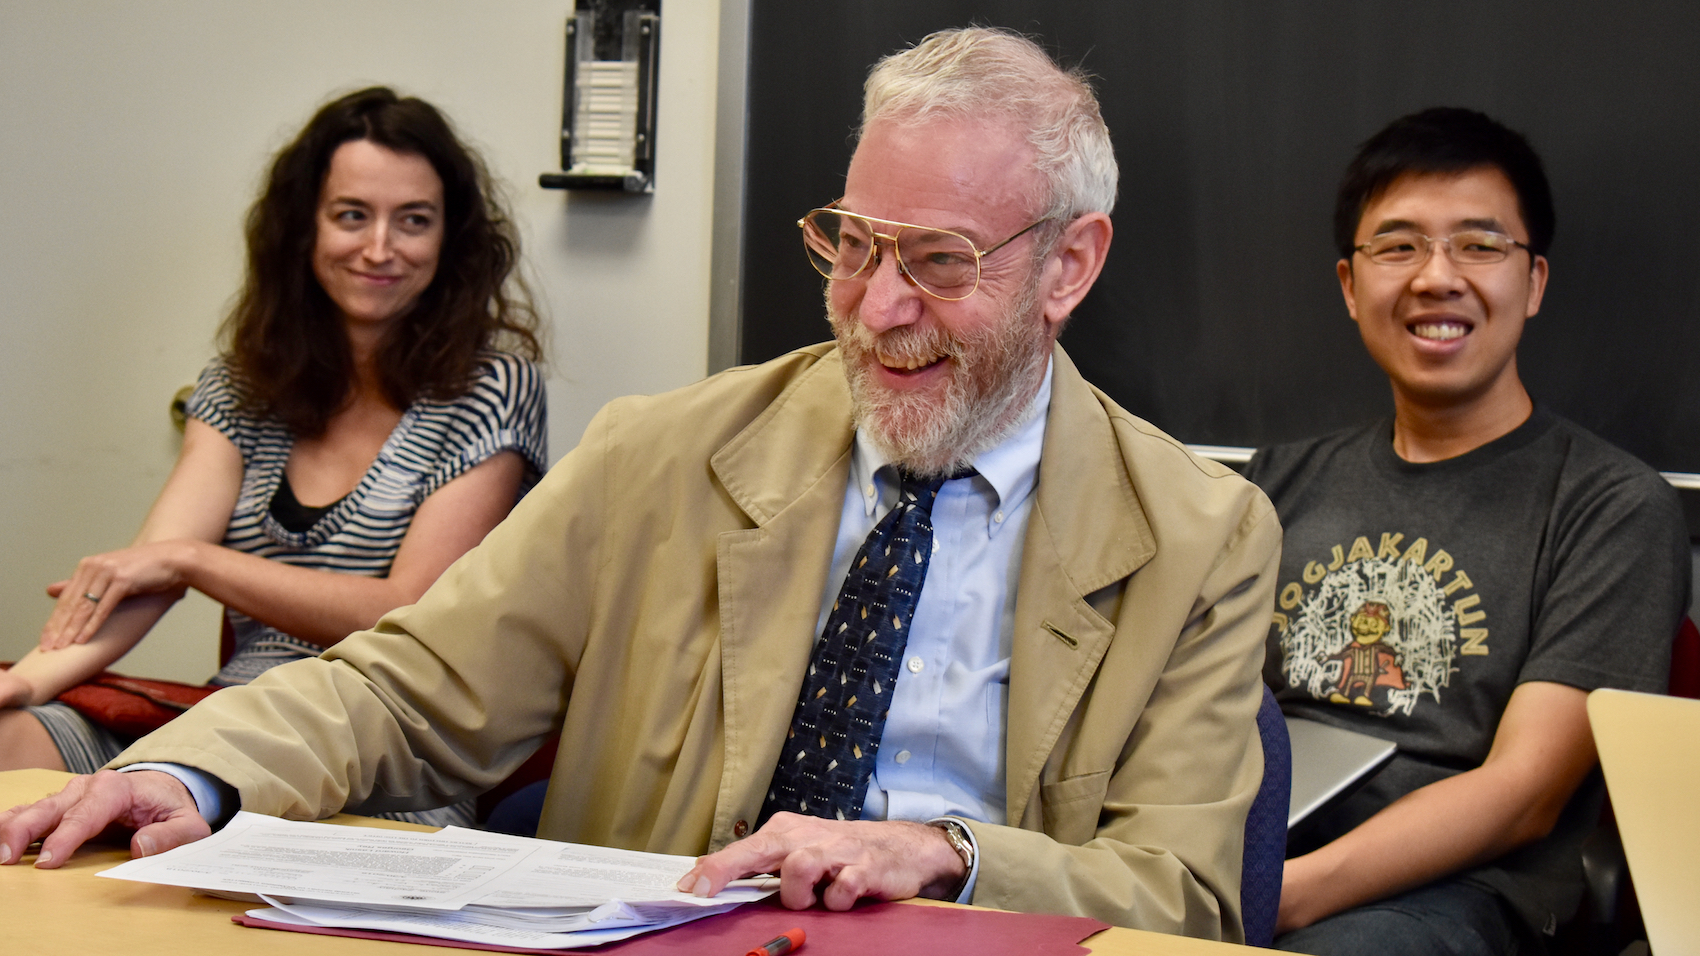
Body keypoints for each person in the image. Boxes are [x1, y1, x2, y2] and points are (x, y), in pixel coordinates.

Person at [0, 29, 1277, 942]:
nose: (878, 308)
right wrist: (193, 768)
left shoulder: (1200, 533)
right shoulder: (659, 452)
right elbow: (411, 685)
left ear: (1069, 266)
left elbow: (1184, 892)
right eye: (854, 244)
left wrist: (944, 855)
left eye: (938, 261)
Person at [0, 88, 547, 829]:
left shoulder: (493, 388)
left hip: (389, 743)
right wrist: (25, 685)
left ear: (451, 239)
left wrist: (196, 562)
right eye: (352, 215)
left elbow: (407, 609)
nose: (380, 248)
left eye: (413, 221)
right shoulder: (241, 384)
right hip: (225, 720)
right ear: (304, 228)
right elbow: (148, 575)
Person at [1244, 108, 1690, 954]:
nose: (1437, 277)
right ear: (1349, 285)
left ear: (1534, 282)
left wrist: (1278, 897)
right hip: (1256, 851)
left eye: (1480, 245)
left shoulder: (1610, 506)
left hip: (1454, 900)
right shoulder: (1276, 483)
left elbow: (1525, 793)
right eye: (1399, 246)